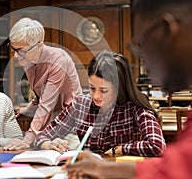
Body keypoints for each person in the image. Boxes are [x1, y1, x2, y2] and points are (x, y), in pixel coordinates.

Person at [63, 0, 192, 178]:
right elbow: (181, 164)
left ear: (166, 31)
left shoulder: (134, 109)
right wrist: (102, 168)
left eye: (142, 45)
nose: (144, 61)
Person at [35, 50, 165, 157]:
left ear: (120, 86)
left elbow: (157, 145)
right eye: (92, 88)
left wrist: (121, 149)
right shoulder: (80, 105)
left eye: (104, 90)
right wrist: (49, 144)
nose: (96, 96)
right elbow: (41, 136)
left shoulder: (136, 108)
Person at [3, 17, 83, 150]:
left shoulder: (58, 60)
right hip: (51, 120)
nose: (16, 56)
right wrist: (26, 111)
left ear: (39, 45)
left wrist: (27, 140)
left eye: (21, 51)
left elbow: (46, 105)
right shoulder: (28, 59)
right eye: (13, 49)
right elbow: (41, 95)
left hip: (71, 122)